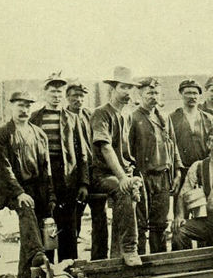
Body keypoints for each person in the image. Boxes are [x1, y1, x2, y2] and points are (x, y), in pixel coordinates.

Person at [0, 89, 55, 278]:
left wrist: (50, 195)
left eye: (28, 106)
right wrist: (19, 193)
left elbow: (46, 168)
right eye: (20, 105)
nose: (24, 110)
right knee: (27, 213)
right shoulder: (1, 134)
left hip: (38, 188)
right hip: (14, 189)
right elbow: (3, 168)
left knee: (44, 225)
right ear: (11, 106)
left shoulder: (39, 134)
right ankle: (37, 253)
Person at [29, 73, 88, 263]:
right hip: (43, 179)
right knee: (45, 226)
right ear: (45, 93)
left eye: (60, 92)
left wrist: (83, 183)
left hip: (67, 179)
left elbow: (82, 154)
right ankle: (46, 273)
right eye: (53, 91)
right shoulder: (34, 118)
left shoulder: (72, 118)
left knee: (68, 229)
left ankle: (67, 271)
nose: (56, 95)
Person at [89, 69, 144, 267]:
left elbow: (126, 153)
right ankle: (129, 248)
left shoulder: (126, 115)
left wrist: (130, 176)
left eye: (130, 87)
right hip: (101, 175)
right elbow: (105, 147)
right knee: (125, 191)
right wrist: (123, 178)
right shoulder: (101, 113)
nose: (128, 92)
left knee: (134, 193)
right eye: (123, 87)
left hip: (120, 173)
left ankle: (116, 255)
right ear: (113, 88)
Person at [129, 78, 182, 254]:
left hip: (163, 177)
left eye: (156, 93)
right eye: (149, 93)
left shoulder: (164, 118)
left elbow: (173, 146)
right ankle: (143, 263)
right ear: (140, 95)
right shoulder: (133, 118)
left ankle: (158, 260)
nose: (153, 96)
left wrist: (177, 173)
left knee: (160, 224)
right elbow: (127, 151)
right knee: (142, 225)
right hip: (144, 177)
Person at [64, 79, 108, 261]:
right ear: (67, 97)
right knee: (73, 221)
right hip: (75, 179)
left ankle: (100, 260)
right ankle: (72, 262)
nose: (79, 99)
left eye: (82, 96)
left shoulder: (90, 116)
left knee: (100, 219)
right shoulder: (64, 118)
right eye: (75, 96)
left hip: (94, 174)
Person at [169, 79, 213, 170]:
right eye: (188, 93)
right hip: (181, 170)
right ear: (181, 95)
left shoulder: (209, 119)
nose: (192, 96)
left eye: (195, 93)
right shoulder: (171, 119)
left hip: (204, 169)